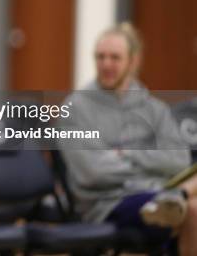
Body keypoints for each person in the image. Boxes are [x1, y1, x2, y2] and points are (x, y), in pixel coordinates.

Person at [59, 22, 197, 254]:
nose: (106, 64)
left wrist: (128, 154)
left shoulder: (155, 109)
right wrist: (153, 167)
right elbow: (93, 173)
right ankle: (178, 197)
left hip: (158, 193)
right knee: (191, 210)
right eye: (100, 57)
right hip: (107, 204)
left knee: (189, 207)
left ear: (133, 61)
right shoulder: (75, 109)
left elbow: (179, 159)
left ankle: (177, 198)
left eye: (115, 58)